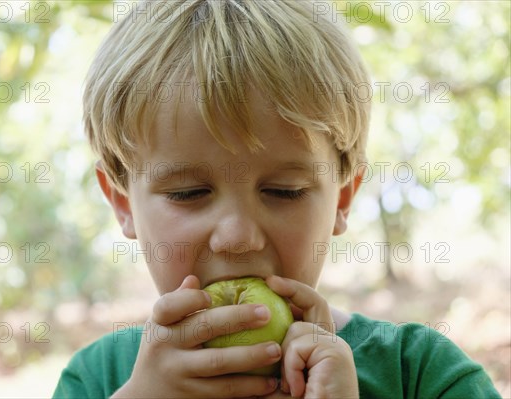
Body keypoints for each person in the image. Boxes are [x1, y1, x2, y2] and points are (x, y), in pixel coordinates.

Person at [53, 0, 500, 397]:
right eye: (187, 193)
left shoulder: (422, 375)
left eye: (284, 192)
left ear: (342, 199)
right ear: (124, 204)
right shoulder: (98, 378)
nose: (237, 237)